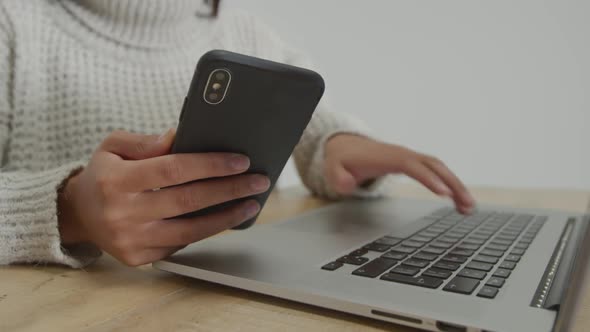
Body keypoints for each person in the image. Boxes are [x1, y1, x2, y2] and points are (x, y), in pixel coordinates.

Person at [0, 0, 474, 268]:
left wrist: (337, 145)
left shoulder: (250, 34)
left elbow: (310, 123)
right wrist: (67, 209)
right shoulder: (14, 27)